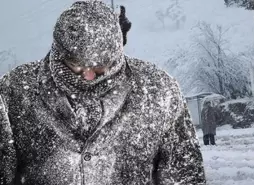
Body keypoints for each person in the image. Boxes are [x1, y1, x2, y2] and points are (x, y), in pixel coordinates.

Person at [0, 1, 206, 184]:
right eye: (75, 65)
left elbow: (184, 175)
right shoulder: (15, 91)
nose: (89, 76)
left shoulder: (159, 90)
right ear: (58, 52)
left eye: (100, 67)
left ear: (118, 51)